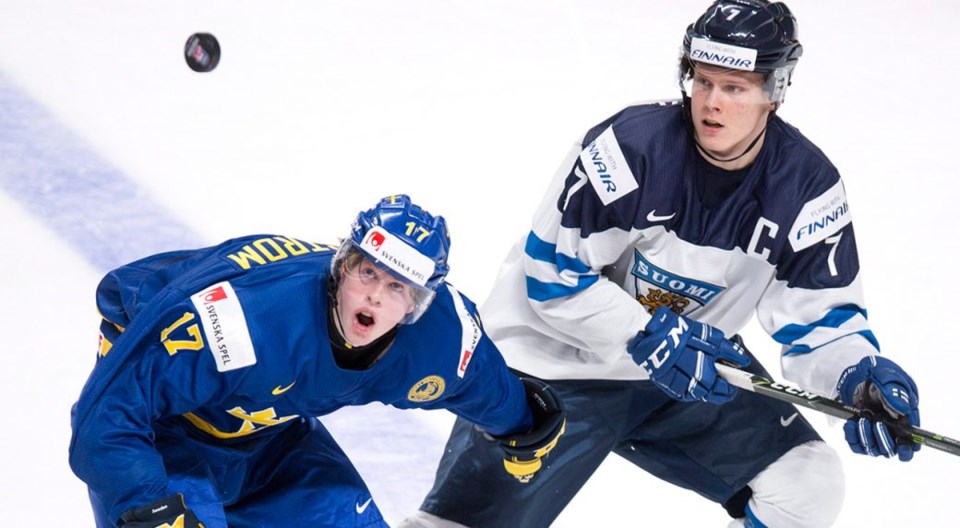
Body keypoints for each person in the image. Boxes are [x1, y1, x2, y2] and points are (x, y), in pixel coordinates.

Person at [401, 1, 921, 527]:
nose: (711, 103)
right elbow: (553, 276)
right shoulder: (629, 149)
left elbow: (822, 323)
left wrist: (856, 380)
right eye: (702, 81)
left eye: (735, 88)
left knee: (808, 484)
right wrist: (647, 332)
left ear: (775, 91)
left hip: (684, 376)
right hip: (552, 364)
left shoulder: (807, 190)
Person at [69, 195, 565, 528]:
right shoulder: (239, 322)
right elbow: (106, 416)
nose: (373, 298)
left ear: (419, 304)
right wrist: (146, 498)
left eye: (396, 287)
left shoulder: (440, 339)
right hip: (163, 432)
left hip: (268, 436)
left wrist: (525, 422)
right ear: (343, 265)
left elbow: (485, 386)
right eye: (367, 273)